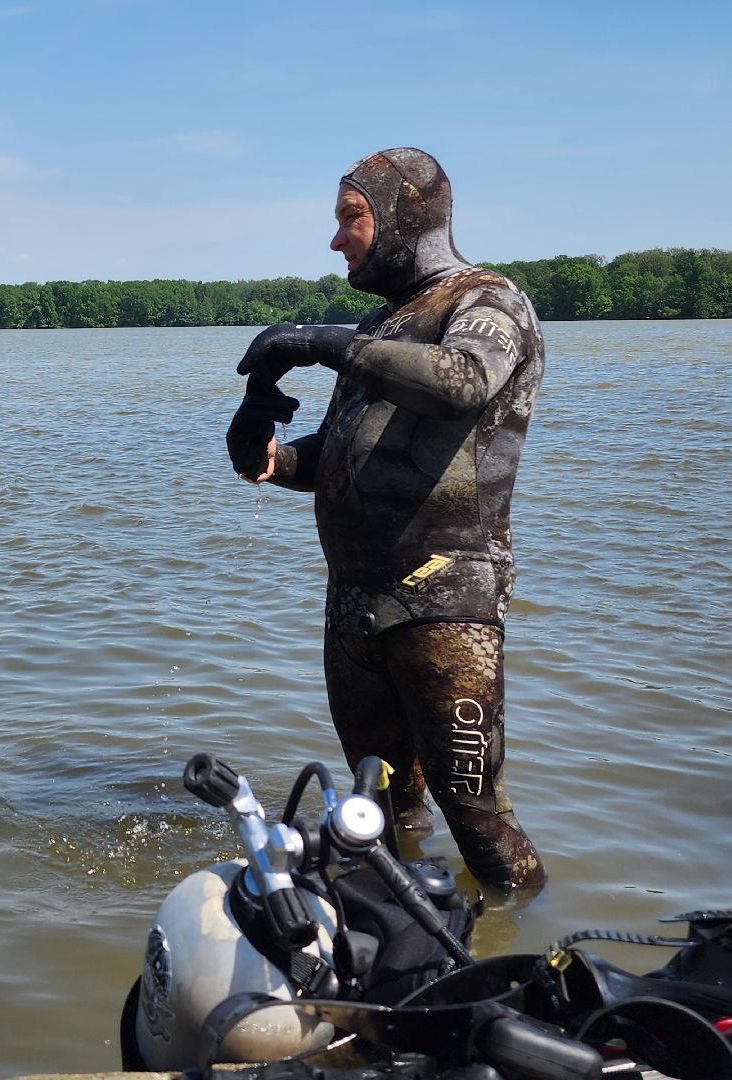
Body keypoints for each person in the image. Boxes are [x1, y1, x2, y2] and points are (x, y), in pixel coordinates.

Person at [226, 148, 547, 889]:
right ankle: (409, 952)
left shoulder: (487, 300)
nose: (337, 240)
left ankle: (536, 964)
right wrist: (264, 450)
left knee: (480, 821)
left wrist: (320, 342)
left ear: (407, 214)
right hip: (354, 610)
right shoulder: (386, 323)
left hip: (444, 604)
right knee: (380, 810)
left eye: (351, 218)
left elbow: (462, 383)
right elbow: (347, 457)